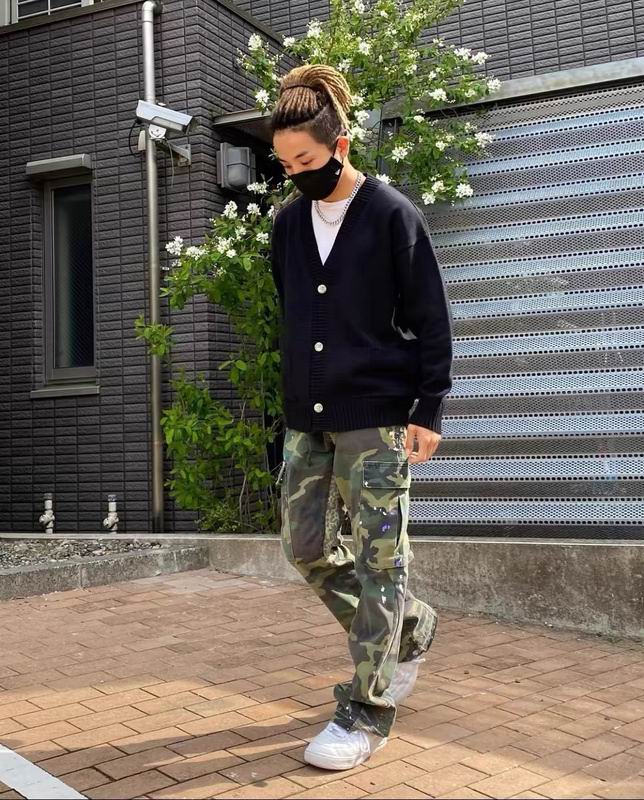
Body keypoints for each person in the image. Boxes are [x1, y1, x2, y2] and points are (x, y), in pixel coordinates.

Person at [269, 63, 454, 771]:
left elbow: (431, 319)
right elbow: (295, 315)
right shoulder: (289, 225)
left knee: (382, 562)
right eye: (286, 165)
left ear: (339, 146)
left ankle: (368, 710)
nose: (296, 175)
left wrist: (428, 407)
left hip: (377, 416)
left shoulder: (390, 214)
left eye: (305, 161)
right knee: (305, 548)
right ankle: (411, 625)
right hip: (307, 417)